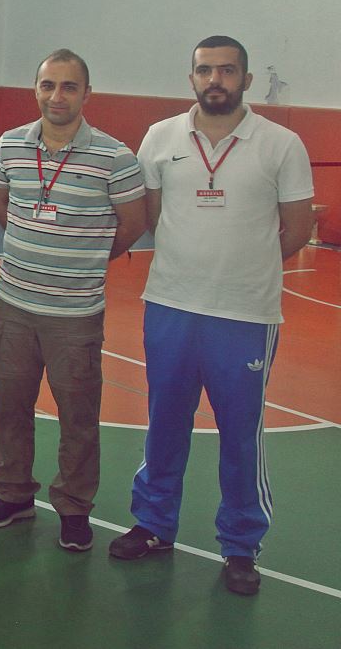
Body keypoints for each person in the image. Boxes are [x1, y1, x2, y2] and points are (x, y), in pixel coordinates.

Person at [112, 36, 315, 596]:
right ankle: (154, 523)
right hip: (171, 305)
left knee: (240, 434)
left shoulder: (280, 144)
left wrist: (244, 270)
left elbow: (298, 228)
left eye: (226, 70)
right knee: (164, 421)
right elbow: (153, 215)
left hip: (244, 314)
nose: (215, 79)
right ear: (192, 78)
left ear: (245, 79)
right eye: (205, 70)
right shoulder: (161, 137)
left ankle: (241, 545)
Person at [0, 49, 146, 552]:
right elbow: (3, 207)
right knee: (10, 409)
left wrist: (85, 258)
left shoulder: (115, 157)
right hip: (13, 306)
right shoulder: (9, 145)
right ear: (36, 89)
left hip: (75, 317)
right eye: (48, 85)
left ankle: (73, 506)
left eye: (69, 86)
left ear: (87, 93)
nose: (57, 95)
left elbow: (133, 224)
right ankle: (13, 494)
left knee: (78, 418)